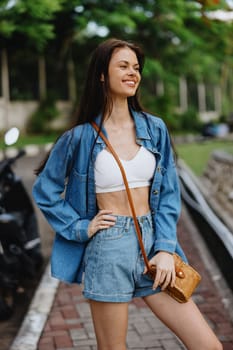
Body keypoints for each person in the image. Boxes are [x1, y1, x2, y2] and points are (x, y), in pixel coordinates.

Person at [32, 38, 222, 350]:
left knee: (208, 345)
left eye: (136, 67)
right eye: (123, 65)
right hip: (108, 248)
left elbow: (170, 194)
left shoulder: (155, 128)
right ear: (102, 74)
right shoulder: (80, 138)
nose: (133, 72)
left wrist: (164, 248)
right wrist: (82, 227)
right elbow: (46, 190)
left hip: (153, 246)